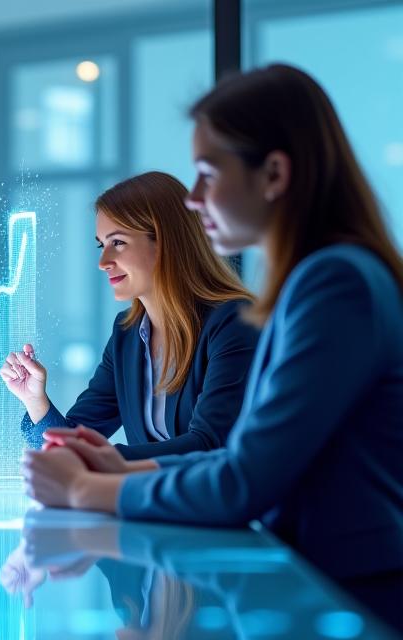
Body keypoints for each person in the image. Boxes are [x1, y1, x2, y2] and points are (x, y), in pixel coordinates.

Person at [21, 64, 403, 632]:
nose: (195, 200)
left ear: (274, 173)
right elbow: (241, 460)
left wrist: (89, 488)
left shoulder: (332, 284)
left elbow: (243, 477)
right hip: (323, 591)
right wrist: (114, 465)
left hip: (348, 600)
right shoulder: (322, 279)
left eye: (206, 173)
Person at [2, 171, 258, 459]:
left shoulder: (234, 322)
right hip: (147, 489)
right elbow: (70, 447)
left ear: (165, 242)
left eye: (118, 243)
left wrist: (105, 460)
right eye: (102, 245)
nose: (103, 262)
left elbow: (210, 444)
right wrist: (36, 400)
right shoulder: (127, 334)